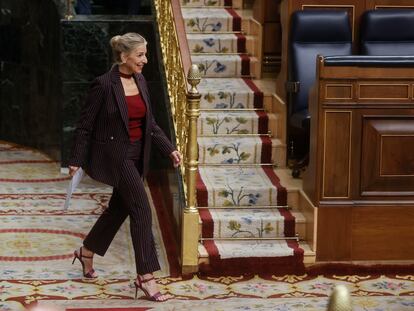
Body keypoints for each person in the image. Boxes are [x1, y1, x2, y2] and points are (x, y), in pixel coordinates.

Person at [68, 32, 181, 302]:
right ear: (124, 56)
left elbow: (150, 123)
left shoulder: (140, 80)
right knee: (142, 208)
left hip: (137, 155)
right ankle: (146, 277)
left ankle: (86, 251)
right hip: (115, 156)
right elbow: (85, 125)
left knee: (118, 209)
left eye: (145, 54)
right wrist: (75, 159)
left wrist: (170, 149)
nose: (145, 60)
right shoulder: (104, 85)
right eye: (140, 55)